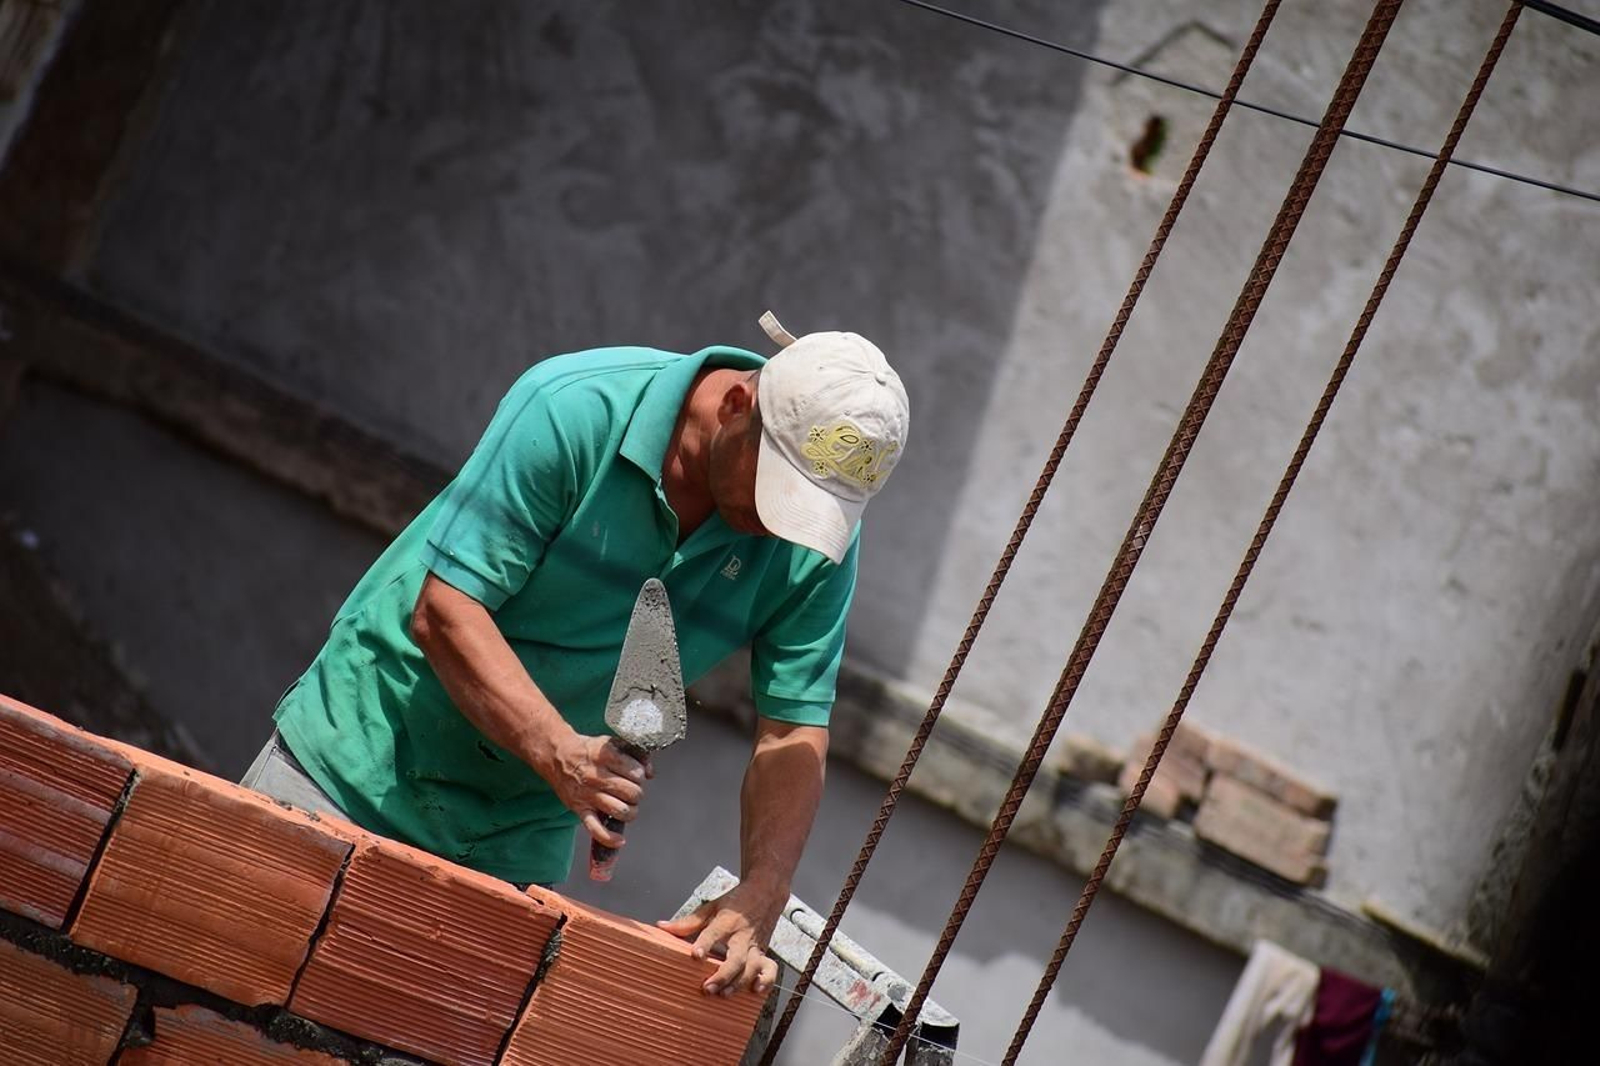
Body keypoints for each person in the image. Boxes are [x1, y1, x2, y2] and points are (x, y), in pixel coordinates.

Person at [241, 311, 910, 997]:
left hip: (510, 839)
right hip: (354, 765)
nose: (780, 521)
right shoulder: (574, 408)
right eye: (778, 490)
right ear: (738, 405)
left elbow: (794, 727)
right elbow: (445, 613)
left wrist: (765, 886)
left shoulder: (812, 541)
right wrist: (562, 753)